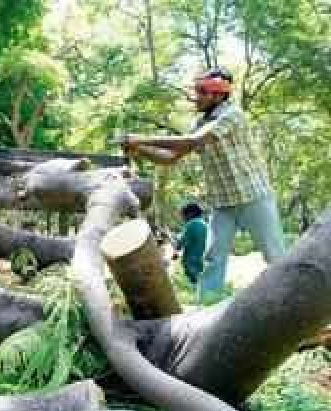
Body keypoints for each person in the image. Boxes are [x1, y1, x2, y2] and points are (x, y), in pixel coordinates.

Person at [121, 67, 286, 303]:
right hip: (222, 203)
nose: (196, 97)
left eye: (202, 92)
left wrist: (140, 138)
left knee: (275, 256)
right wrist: (139, 149)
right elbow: (169, 158)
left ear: (218, 95)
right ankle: (206, 308)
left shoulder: (232, 115)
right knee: (212, 259)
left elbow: (193, 141)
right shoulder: (201, 122)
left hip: (253, 197)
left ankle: (292, 304)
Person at [175, 202, 208, 285]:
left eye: (184, 215)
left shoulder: (191, 224)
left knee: (194, 284)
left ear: (190, 214)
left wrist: (170, 238)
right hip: (203, 261)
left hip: (191, 262)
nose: (183, 218)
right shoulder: (205, 224)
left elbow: (179, 245)